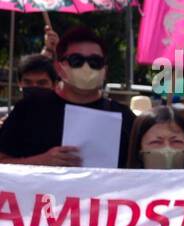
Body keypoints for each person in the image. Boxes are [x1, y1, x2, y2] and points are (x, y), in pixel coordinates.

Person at [0, 25, 133, 167]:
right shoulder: (30, 109)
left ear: (105, 70)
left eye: (95, 62)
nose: (86, 67)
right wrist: (40, 161)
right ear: (59, 68)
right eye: (77, 61)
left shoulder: (123, 117)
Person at [126, 105, 184, 169]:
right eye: (156, 142)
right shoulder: (122, 182)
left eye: (176, 141)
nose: (167, 149)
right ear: (139, 148)